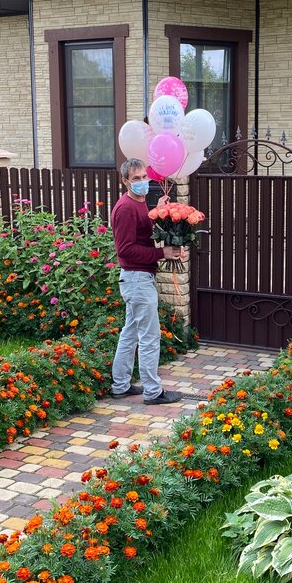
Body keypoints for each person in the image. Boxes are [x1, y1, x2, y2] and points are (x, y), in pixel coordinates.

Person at [110, 157, 183, 405]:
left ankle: (120, 385)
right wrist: (162, 252)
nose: (142, 182)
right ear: (125, 181)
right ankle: (153, 392)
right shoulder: (125, 208)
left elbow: (142, 232)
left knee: (130, 333)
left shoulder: (139, 203)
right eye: (136, 179)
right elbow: (125, 250)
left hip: (138, 279)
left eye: (144, 177)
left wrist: (158, 211)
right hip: (137, 279)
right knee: (150, 337)